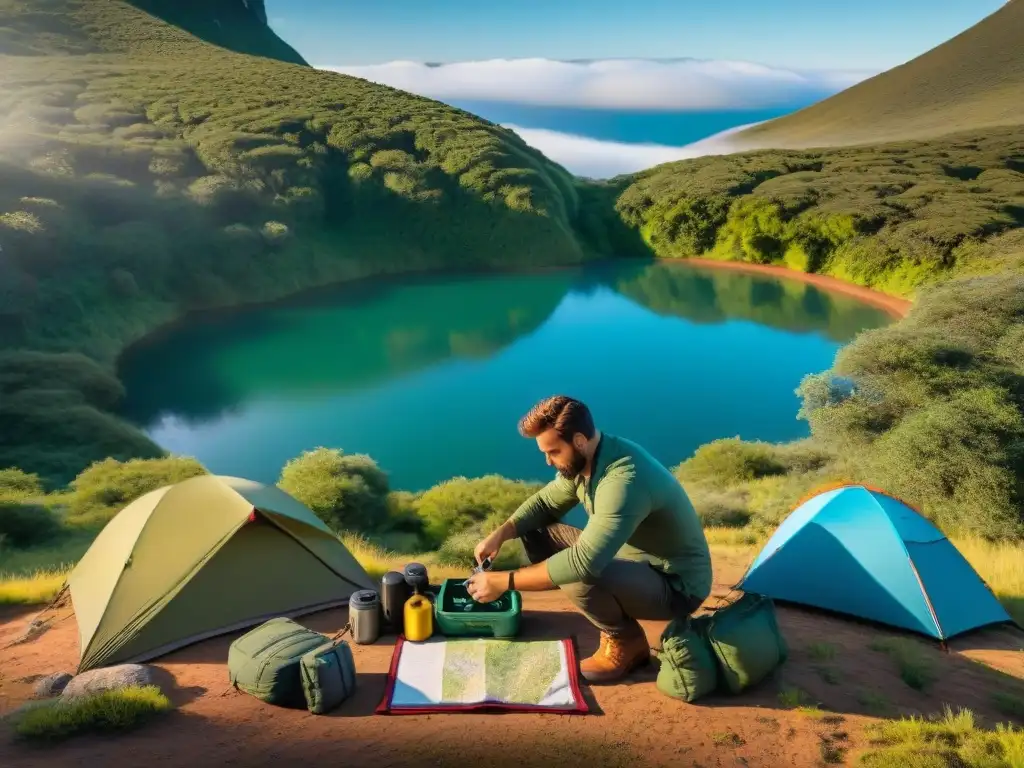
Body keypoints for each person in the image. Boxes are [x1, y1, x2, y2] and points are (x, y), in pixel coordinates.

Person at [467, 395, 712, 684]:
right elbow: (546, 504)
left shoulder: (623, 481)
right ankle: (613, 609)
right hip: (631, 563)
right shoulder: (588, 457)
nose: (548, 461)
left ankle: (625, 641)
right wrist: (503, 532)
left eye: (554, 452)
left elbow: (582, 562)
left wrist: (501, 582)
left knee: (578, 572)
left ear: (579, 440)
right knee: (535, 530)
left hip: (676, 587)